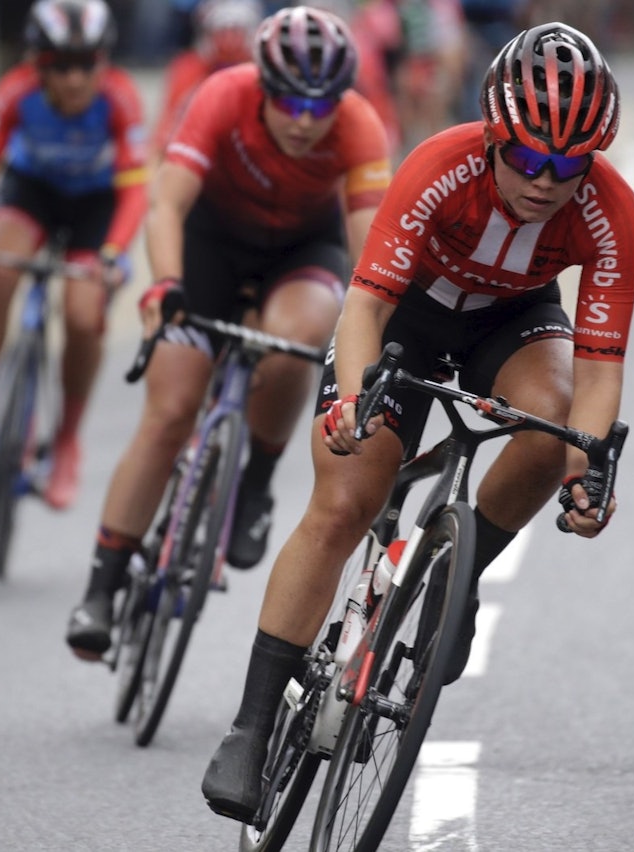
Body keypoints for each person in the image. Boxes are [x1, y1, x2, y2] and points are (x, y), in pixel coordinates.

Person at [201, 21, 634, 822]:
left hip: (512, 324)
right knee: (344, 500)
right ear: (495, 139)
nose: (546, 181)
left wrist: (588, 474)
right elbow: (364, 303)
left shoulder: (612, 211)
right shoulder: (440, 165)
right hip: (407, 316)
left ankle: (455, 576)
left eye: (569, 165)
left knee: (556, 424)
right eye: (528, 159)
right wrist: (347, 403)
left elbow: (602, 370)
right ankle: (252, 725)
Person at [65, 5, 392, 660]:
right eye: (289, 103)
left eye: (319, 105)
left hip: (303, 248)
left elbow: (373, 259)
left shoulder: (359, 125)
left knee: (298, 337)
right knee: (170, 412)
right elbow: (167, 202)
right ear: (262, 86)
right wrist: (164, 285)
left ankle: (257, 479)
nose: (304, 121)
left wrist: (380, 327)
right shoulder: (222, 93)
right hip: (211, 241)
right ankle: (101, 587)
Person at [0, 0, 148, 511]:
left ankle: (68, 440)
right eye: (60, 65)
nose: (75, 79)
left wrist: (114, 254)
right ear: (36, 63)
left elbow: (137, 192)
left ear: (104, 62)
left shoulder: (120, 99)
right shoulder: (15, 93)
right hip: (32, 192)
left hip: (95, 205)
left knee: (83, 312)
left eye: (87, 64)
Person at [150, 0, 264, 159]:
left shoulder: (263, 71)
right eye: (223, 32)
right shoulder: (187, 68)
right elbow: (164, 137)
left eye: (236, 31)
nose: (229, 39)